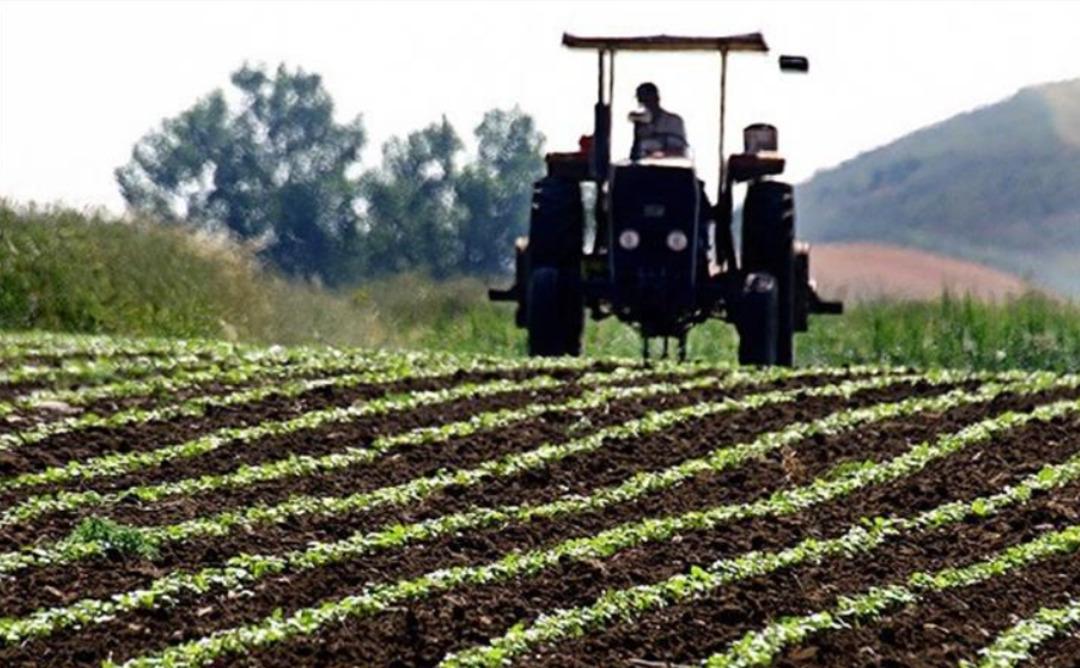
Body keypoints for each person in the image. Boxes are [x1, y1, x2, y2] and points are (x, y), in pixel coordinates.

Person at [629, 82, 688, 160]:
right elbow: (636, 153)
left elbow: (680, 149)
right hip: (645, 167)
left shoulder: (673, 121)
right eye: (642, 100)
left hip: (671, 167)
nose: (646, 104)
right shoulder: (640, 122)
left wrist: (659, 154)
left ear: (657, 98)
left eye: (648, 99)